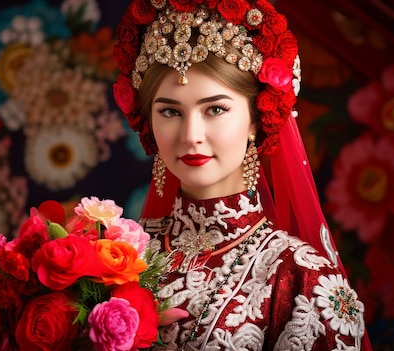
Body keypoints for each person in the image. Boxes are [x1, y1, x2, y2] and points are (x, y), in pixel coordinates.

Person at [112, 0, 372, 350]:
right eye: (171, 111)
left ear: (255, 117)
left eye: (215, 109)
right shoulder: (118, 254)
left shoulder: (301, 278)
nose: (191, 135)